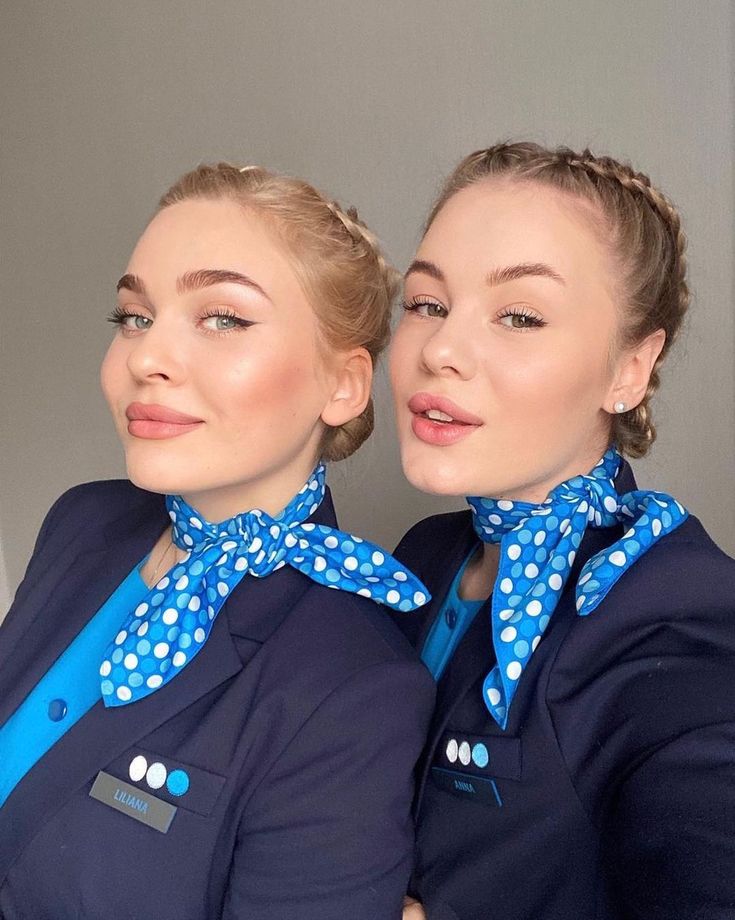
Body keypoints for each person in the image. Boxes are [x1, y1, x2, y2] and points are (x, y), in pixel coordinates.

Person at [0, 163, 435, 919]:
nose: (144, 358)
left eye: (222, 318)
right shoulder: (84, 522)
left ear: (343, 385)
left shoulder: (354, 687)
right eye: (134, 317)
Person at [390, 142, 735, 920]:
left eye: (519, 315)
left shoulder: (686, 629)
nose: (440, 350)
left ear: (630, 368)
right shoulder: (419, 557)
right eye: (426, 304)